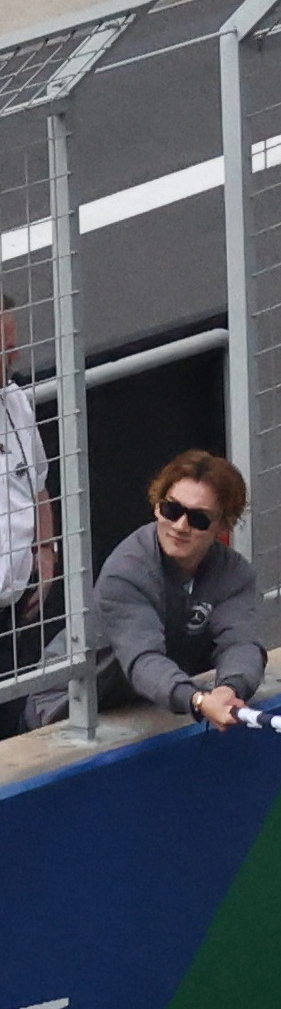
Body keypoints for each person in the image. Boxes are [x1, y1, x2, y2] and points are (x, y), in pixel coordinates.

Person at [92, 451, 265, 730]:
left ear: (222, 525)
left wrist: (229, 690)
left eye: (198, 519)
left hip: (148, 704)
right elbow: (143, 660)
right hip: (76, 710)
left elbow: (241, 644)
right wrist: (196, 700)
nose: (180, 526)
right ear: (157, 507)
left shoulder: (234, 572)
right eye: (172, 510)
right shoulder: (125, 571)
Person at [0, 299, 51, 734]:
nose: (14, 357)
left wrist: (46, 550)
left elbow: (38, 484)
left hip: (15, 606)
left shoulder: (15, 402)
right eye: (4, 348)